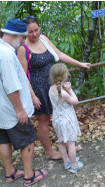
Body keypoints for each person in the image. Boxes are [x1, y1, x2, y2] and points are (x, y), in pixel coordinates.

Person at [22, 16, 91, 160]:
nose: (35, 34)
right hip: (38, 87)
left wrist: (79, 64)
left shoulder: (44, 39)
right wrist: (32, 95)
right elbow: (22, 75)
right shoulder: (23, 48)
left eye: (36, 30)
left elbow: (59, 54)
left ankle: (67, 146)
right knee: (44, 119)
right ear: (25, 32)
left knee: (61, 115)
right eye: (30, 32)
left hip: (54, 84)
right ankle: (50, 152)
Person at [0, 18, 47, 186]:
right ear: (14, 36)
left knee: (4, 140)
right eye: (22, 38)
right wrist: (20, 110)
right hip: (12, 108)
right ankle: (29, 175)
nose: (22, 42)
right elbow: (11, 85)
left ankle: (10, 173)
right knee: (27, 139)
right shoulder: (6, 54)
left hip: (2, 110)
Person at [48, 64, 82, 173]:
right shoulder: (63, 93)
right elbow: (75, 101)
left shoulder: (51, 89)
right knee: (71, 144)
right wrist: (70, 89)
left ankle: (66, 162)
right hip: (67, 120)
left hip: (57, 120)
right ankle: (74, 165)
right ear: (64, 75)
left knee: (62, 142)